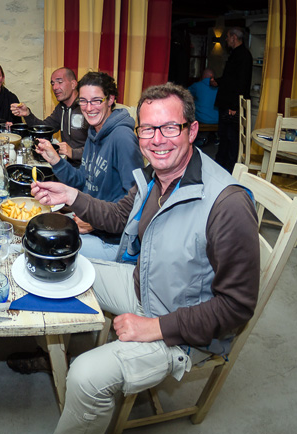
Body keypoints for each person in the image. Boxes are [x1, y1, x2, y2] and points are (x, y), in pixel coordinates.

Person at [30, 82, 259, 433]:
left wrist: (156, 327)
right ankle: (45, 348)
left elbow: (237, 306)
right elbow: (118, 216)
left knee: (86, 377)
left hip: (184, 330)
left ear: (192, 130)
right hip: (144, 285)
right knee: (63, 264)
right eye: (148, 129)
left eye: (170, 127)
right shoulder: (157, 174)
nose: (157, 140)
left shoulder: (227, 204)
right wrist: (71, 194)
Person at [33, 71, 143, 261]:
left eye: (96, 100)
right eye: (83, 101)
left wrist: (95, 223)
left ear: (110, 100)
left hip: (111, 240)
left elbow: (137, 202)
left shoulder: (123, 138)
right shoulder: (94, 132)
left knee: (44, 248)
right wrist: (56, 161)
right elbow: (82, 181)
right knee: (35, 228)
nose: (88, 108)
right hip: (88, 222)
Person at [10, 67, 88, 166]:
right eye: (52, 83)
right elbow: (44, 129)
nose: (55, 87)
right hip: (67, 165)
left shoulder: (87, 108)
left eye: (59, 82)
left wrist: (73, 153)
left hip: (86, 169)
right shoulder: (61, 108)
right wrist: (27, 114)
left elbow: (100, 147)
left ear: (73, 84)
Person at [211, 27, 253, 173]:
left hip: (232, 104)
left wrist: (235, 106)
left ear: (234, 37)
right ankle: (220, 166)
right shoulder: (236, 54)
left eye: (228, 37)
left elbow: (242, 82)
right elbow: (231, 79)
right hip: (228, 102)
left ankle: (229, 170)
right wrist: (218, 81)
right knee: (224, 135)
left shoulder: (244, 56)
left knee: (231, 138)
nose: (227, 40)